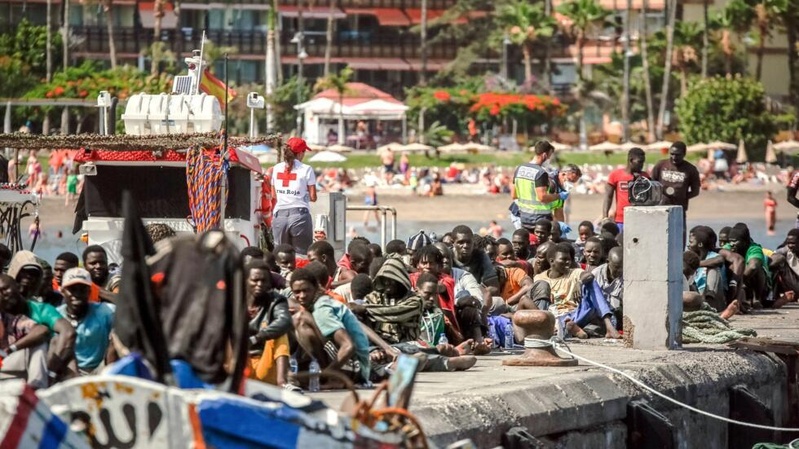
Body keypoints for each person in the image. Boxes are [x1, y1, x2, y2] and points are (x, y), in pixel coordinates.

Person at [290, 268, 371, 386]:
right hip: (353, 364)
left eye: (306, 290)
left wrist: (325, 374)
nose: (301, 296)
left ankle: (332, 378)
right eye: (297, 292)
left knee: (301, 321)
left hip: (356, 367)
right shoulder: (315, 305)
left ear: (315, 289)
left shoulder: (321, 309)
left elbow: (348, 346)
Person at [533, 243, 620, 339]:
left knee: (591, 282)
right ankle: (572, 329)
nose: (568, 263)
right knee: (558, 323)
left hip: (577, 314)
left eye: (569, 260)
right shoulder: (540, 278)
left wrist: (580, 282)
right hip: (555, 318)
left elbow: (589, 276)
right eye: (564, 259)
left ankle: (609, 327)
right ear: (552, 261)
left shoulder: (575, 272)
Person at [0, 274, 76, 380]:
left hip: (45, 361)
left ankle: (77, 390)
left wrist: (51, 370)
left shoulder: (41, 310)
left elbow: (68, 332)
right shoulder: (3, 317)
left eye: (5, 289)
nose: (3, 295)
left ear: (18, 287)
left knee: (58, 343)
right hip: (10, 363)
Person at [56, 268, 116, 375]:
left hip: (100, 369)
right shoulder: (56, 315)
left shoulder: (105, 311)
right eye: (72, 289)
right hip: (67, 369)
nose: (77, 294)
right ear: (63, 291)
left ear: (89, 291)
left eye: (82, 289)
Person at [245, 261, 294, 388]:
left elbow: (284, 321)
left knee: (279, 333)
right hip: (240, 367)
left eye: (264, 281)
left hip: (265, 365)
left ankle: (282, 383)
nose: (259, 284)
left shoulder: (275, 300)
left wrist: (257, 338)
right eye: (255, 280)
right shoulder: (234, 300)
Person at [353, 259, 423, 344]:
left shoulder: (415, 300)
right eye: (383, 279)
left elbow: (395, 313)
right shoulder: (376, 296)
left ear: (400, 279)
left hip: (407, 345)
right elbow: (361, 309)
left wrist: (366, 309)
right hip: (379, 344)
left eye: (391, 279)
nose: (386, 282)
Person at [271, 137, 317, 255]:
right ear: (300, 153)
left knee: (280, 257)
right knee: (301, 256)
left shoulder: (276, 168)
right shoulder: (307, 169)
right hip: (299, 215)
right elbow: (313, 197)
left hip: (279, 215)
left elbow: (273, 194)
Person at [651, 141, 701, 240]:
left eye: (677, 155)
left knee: (678, 237)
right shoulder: (661, 165)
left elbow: (696, 191)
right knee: (658, 236)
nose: (674, 157)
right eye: (672, 154)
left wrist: (683, 196)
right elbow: (652, 183)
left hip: (679, 209)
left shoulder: (690, 169)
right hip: (660, 208)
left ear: (684, 154)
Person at [511, 140, 565, 229]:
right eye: (549, 156)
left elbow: (513, 195)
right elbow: (542, 197)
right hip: (541, 220)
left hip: (524, 219)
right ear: (544, 155)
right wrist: (559, 196)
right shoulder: (541, 173)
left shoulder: (519, 169)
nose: (549, 159)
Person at [0, 299, 49, 388]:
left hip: (6, 361)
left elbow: (42, 330)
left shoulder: (12, 320)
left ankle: (37, 389)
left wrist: (12, 348)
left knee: (38, 343)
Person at [603, 147, 647, 232]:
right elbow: (608, 196)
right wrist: (605, 217)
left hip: (640, 218)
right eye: (639, 162)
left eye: (643, 162)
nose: (642, 165)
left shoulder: (645, 177)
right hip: (621, 220)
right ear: (631, 160)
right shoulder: (615, 175)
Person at [451, 225, 500, 297]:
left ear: (473, 242)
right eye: (461, 242)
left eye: (468, 242)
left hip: (476, 297)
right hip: (452, 296)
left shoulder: (481, 256)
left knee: (499, 301)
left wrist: (473, 292)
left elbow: (494, 287)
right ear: (453, 243)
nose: (465, 246)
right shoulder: (447, 256)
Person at [592, 247, 624, 330]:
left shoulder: (627, 277)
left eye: (622, 267)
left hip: (618, 315)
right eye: (616, 267)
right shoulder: (596, 274)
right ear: (608, 262)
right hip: (599, 314)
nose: (620, 270)